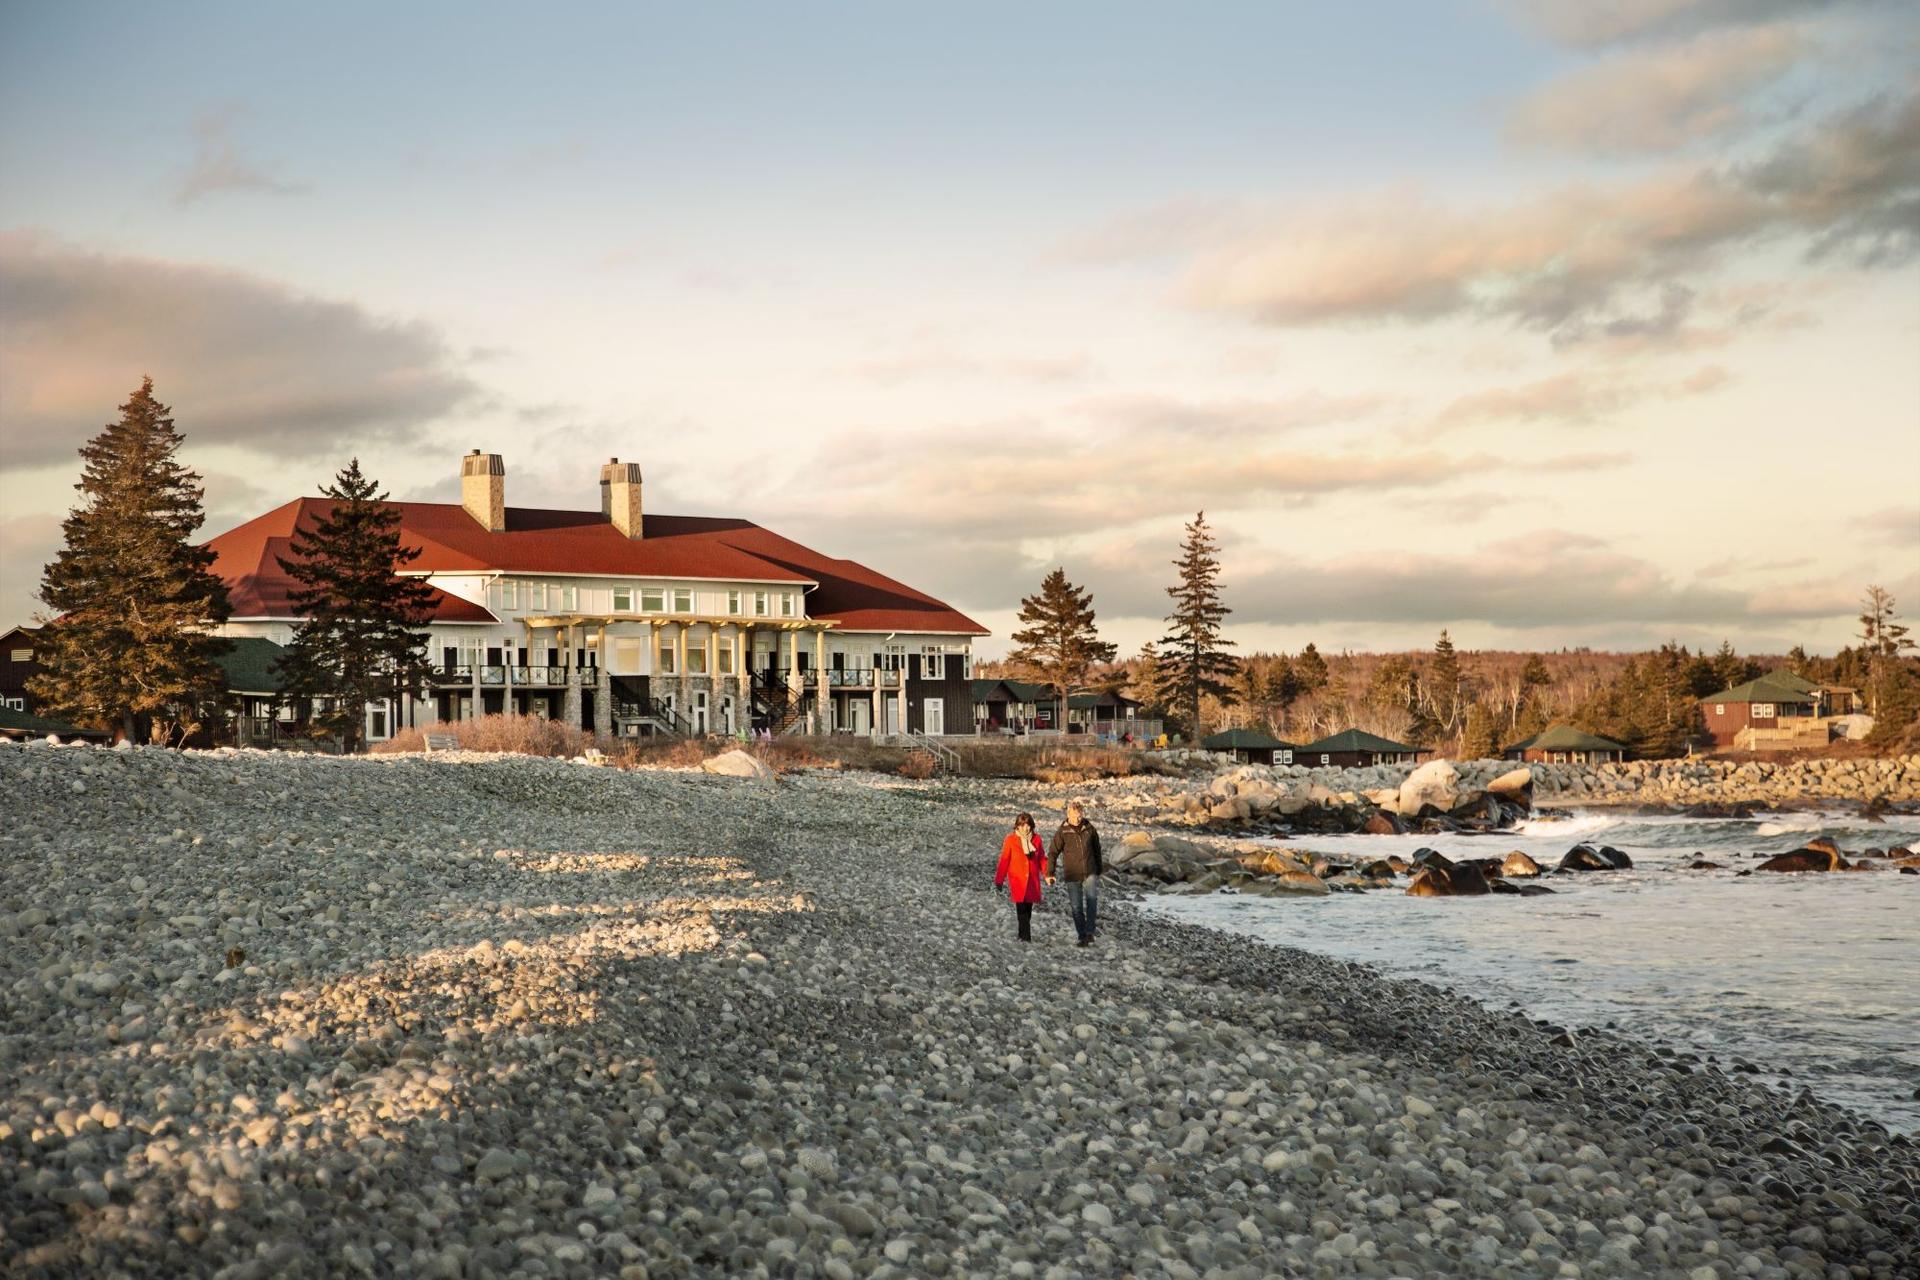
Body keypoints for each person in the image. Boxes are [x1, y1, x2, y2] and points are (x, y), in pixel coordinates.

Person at [1049, 800, 1103, 947]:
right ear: (1068, 814)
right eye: (1074, 816)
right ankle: (1082, 936)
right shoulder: (1063, 831)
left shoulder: (1090, 828)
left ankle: (1090, 931)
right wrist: (1050, 872)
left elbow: (1097, 849)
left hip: (1090, 871)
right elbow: (1053, 852)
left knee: (1092, 901)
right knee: (1076, 907)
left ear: (1082, 814)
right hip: (1072, 874)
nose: (1077, 819)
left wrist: (1099, 868)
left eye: (1079, 816)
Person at [993, 813, 1048, 942]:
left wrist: (1048, 874)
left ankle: (1021, 935)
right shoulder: (1010, 840)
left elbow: (1042, 859)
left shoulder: (1037, 840)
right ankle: (1025, 937)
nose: (1026, 828)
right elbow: (1004, 860)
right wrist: (999, 880)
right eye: (1022, 825)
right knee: (1021, 909)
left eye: (1028, 825)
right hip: (1018, 881)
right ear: (1017, 826)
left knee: (1028, 910)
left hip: (1032, 881)